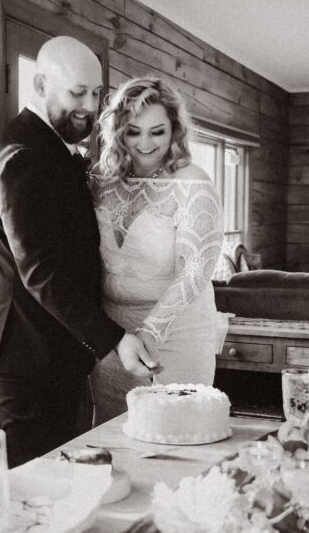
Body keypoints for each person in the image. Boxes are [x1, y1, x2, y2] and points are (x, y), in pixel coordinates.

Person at [0, 36, 156, 467]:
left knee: (57, 485)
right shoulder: (23, 157)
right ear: (39, 85)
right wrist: (113, 338)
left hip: (54, 356)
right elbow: (41, 272)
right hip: (29, 361)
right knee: (31, 491)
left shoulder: (49, 149)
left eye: (96, 94)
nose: (90, 106)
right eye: (77, 92)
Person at [90, 77, 228, 424]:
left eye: (158, 131)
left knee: (175, 436)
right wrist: (113, 337)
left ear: (175, 131)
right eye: (133, 131)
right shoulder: (100, 181)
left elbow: (196, 270)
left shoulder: (191, 182)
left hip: (177, 333)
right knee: (112, 440)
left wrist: (151, 332)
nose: (145, 143)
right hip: (113, 338)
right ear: (118, 131)